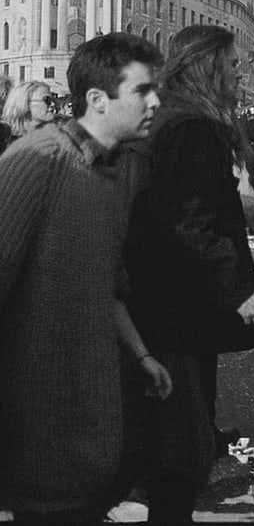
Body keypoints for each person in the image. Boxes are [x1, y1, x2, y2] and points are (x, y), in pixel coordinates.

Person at [0, 32, 170, 523]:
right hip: (36, 425)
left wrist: (140, 355)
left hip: (87, 422)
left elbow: (108, 282)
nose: (156, 101)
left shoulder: (111, 173)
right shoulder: (40, 159)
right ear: (97, 99)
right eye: (142, 91)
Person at [123, 25, 254, 522]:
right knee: (178, 435)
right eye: (231, 65)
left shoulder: (174, 117)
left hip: (161, 290)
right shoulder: (191, 126)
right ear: (208, 66)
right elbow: (189, 221)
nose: (240, 72)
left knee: (179, 411)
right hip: (177, 296)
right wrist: (240, 289)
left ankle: (187, 450)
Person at [1, 80, 57, 148]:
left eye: (53, 99)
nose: (53, 104)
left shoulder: (57, 136)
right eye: (47, 100)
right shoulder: (4, 136)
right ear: (25, 103)